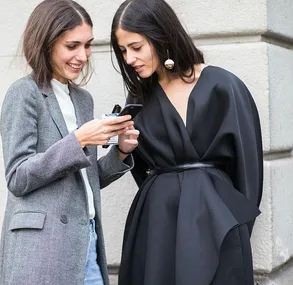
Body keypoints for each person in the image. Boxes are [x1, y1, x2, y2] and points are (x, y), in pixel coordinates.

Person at [110, 0, 263, 284]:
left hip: (218, 223)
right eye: (122, 51)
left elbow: (248, 170)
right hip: (157, 224)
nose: (129, 58)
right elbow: (141, 171)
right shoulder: (139, 99)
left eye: (136, 46)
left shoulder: (223, 86)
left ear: (160, 36)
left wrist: (234, 225)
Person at [0, 1, 139, 285]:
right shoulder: (24, 93)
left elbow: (84, 180)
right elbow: (18, 177)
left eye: (87, 45)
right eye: (71, 46)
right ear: (46, 43)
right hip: (40, 250)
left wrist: (121, 151)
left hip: (86, 242)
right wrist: (79, 140)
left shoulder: (82, 100)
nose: (83, 55)